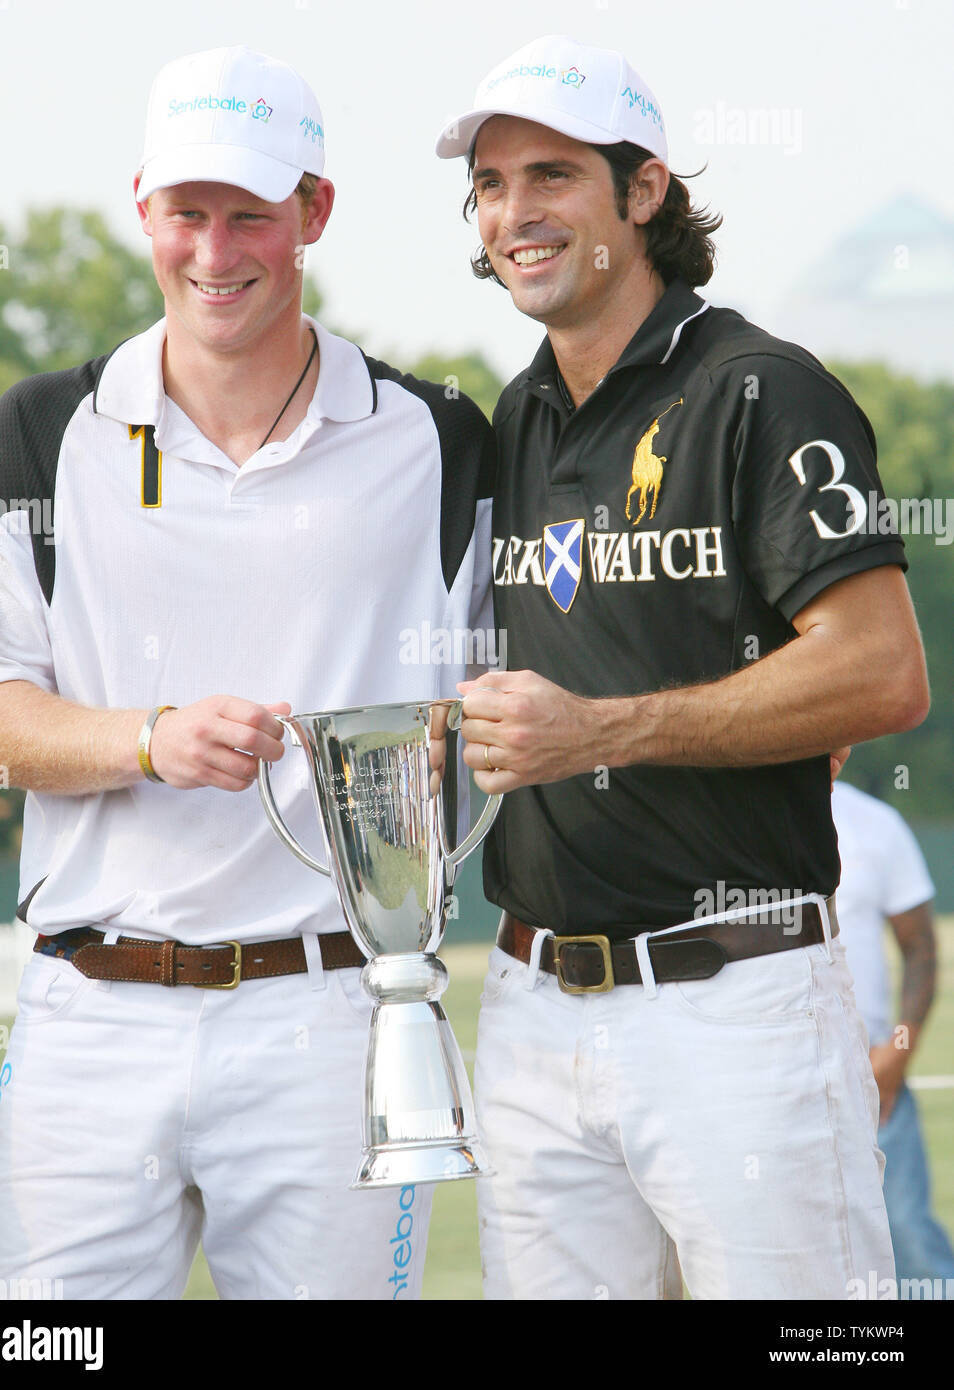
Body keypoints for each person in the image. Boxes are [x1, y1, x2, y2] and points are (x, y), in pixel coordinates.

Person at [0, 45, 493, 1300]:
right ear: (142, 205)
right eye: (185, 213)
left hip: (334, 1011)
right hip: (94, 1007)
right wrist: (148, 739)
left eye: (250, 213)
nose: (214, 250)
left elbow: (505, 699)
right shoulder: (45, 429)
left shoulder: (438, 436)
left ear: (315, 212)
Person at [435, 34, 930, 1299]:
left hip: (738, 997)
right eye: (490, 185)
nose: (513, 214)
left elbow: (881, 676)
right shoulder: (516, 417)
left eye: (550, 176)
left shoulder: (764, 391)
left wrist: (595, 732)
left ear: (644, 191)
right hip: (536, 1001)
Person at [831, 776, 954, 1297]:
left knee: (909, 1243)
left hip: (874, 1078)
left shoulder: (875, 823)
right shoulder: (728, 817)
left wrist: (896, 1056)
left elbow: (921, 948)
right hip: (765, 1076)